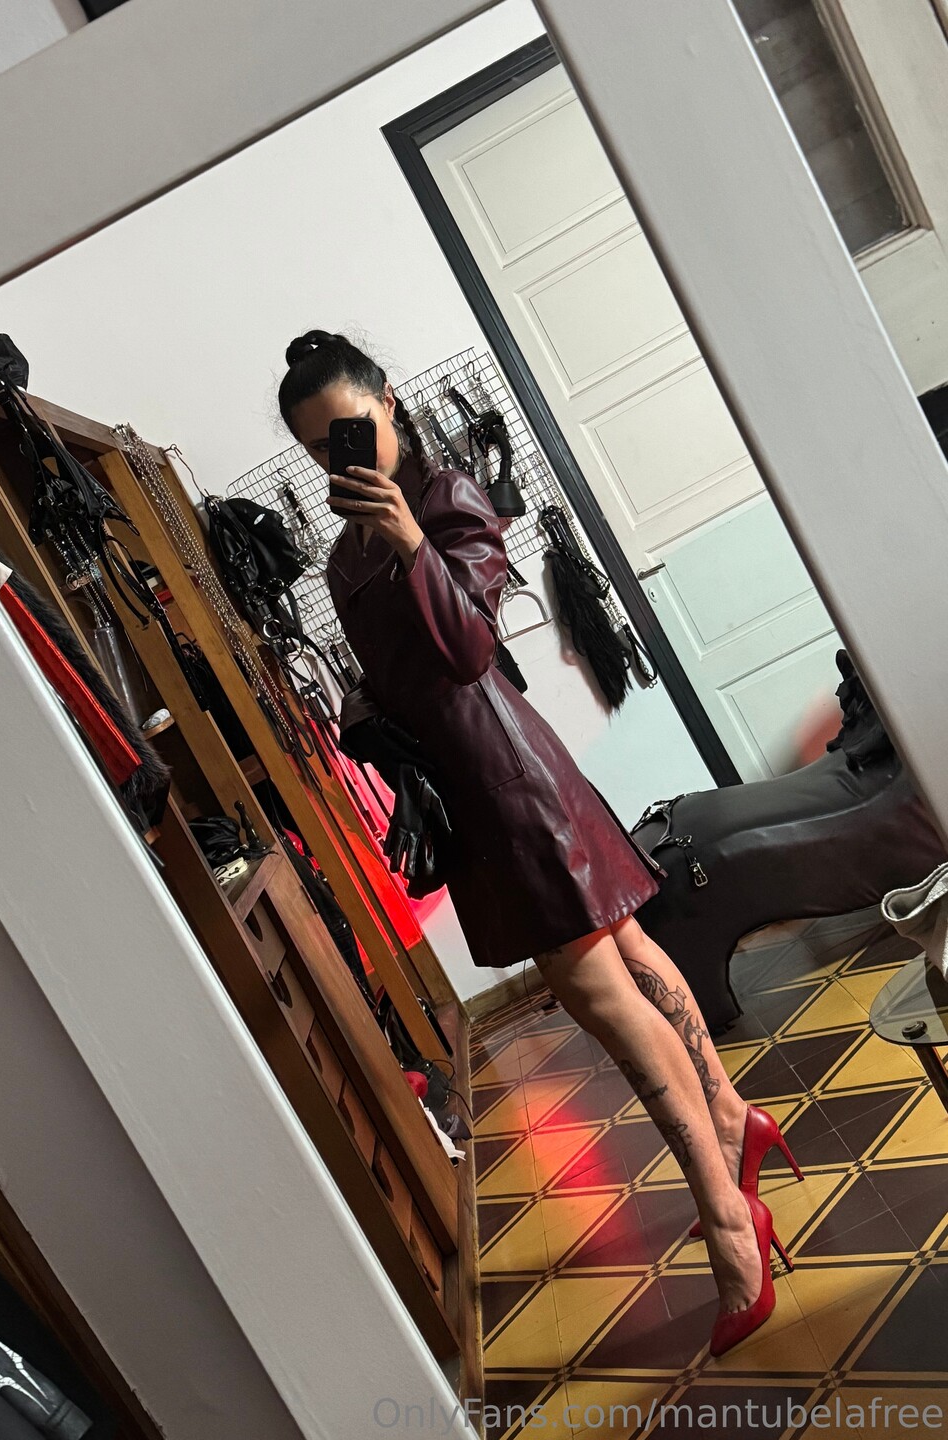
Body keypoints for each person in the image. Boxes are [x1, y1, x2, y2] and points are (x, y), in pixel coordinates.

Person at [278, 329, 801, 1357]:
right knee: (631, 958)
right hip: (466, 795)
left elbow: (471, 647)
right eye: (319, 447)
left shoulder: (446, 502)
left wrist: (412, 542)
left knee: (608, 1005)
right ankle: (736, 1122)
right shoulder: (342, 555)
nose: (343, 457)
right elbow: (398, 677)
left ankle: (731, 1223)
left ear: (389, 403)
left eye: (353, 429)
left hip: (513, 786)